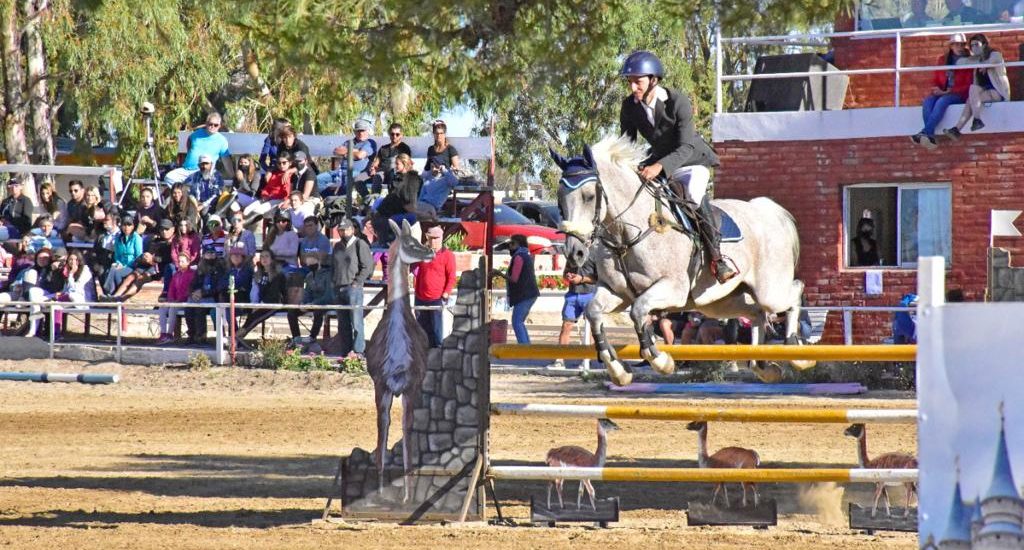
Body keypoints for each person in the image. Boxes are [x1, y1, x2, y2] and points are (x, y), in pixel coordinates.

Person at [618, 50, 734, 283]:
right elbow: (628, 145)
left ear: (653, 80)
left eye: (637, 82)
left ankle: (717, 258)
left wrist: (658, 167)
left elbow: (686, 147)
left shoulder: (677, 101)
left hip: (691, 161)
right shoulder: (629, 107)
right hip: (659, 160)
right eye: (630, 82)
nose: (633, 88)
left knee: (692, 194)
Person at [945, 34, 1011, 138]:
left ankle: (972, 121)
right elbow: (959, 63)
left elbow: (993, 61)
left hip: (998, 92)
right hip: (984, 92)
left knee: (971, 97)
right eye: (972, 46)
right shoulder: (975, 59)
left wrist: (985, 65)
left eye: (977, 44)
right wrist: (968, 56)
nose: (974, 48)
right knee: (971, 94)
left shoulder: (995, 54)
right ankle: (960, 127)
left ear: (984, 45)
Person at [911, 34, 971, 149]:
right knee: (928, 101)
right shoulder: (943, 60)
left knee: (942, 101)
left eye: (962, 44)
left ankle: (925, 132)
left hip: (959, 94)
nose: (959, 47)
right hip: (943, 91)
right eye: (956, 44)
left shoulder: (969, 60)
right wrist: (936, 89)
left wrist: (947, 92)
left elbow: (969, 84)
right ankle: (929, 134)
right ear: (951, 46)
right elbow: (936, 78)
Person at [331, 217, 373, 356]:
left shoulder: (359, 244)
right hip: (339, 287)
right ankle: (345, 351)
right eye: (341, 230)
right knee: (343, 324)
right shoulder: (337, 246)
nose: (343, 232)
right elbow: (333, 266)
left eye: (346, 229)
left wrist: (357, 282)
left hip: (353, 287)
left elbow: (367, 266)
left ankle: (358, 351)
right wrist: (333, 282)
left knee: (356, 322)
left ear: (352, 229)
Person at [108, 217, 175, 301]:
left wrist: (154, 259)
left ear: (173, 229)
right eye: (162, 229)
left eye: (166, 229)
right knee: (131, 277)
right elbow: (148, 253)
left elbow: (170, 258)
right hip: (148, 264)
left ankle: (122, 298)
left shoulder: (174, 242)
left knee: (140, 279)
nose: (164, 231)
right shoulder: (156, 240)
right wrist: (144, 257)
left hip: (160, 267)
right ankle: (115, 297)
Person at [547, 258, 597, 369]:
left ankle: (587, 359)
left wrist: (582, 279)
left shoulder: (594, 253)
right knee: (566, 326)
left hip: (590, 294)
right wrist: (567, 276)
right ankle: (560, 359)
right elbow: (565, 272)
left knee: (589, 328)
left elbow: (599, 278)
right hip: (572, 294)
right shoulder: (572, 255)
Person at [413, 225, 455, 348]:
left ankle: (437, 352)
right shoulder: (423, 253)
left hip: (436, 298)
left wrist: (446, 293)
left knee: (436, 329)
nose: (433, 241)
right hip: (420, 297)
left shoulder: (448, 255)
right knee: (421, 327)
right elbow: (416, 270)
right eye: (430, 238)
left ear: (441, 238)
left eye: (436, 238)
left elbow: (451, 277)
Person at [164, 112, 233, 184]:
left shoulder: (222, 140)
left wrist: (233, 177)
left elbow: (226, 160)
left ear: (219, 126)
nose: (213, 126)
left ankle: (187, 191)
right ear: (206, 123)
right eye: (210, 124)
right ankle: (183, 193)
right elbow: (189, 147)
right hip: (186, 170)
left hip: (204, 172)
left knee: (200, 185)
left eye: (216, 125)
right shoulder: (195, 135)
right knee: (169, 178)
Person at [236, 252, 287, 348]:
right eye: (262, 256)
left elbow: (274, 294)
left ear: (272, 259)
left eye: (267, 256)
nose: (264, 258)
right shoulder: (258, 274)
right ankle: (236, 340)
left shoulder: (278, 274)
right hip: (260, 304)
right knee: (250, 317)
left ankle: (235, 339)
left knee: (253, 318)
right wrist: (254, 305)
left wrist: (259, 306)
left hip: (274, 303)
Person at [287, 250, 334, 348]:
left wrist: (313, 303)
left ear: (318, 261)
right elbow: (307, 292)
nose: (310, 266)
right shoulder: (309, 276)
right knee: (292, 312)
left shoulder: (328, 275)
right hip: (312, 303)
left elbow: (328, 296)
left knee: (318, 311)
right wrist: (304, 303)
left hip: (324, 302)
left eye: (312, 263)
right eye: (308, 264)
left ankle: (312, 336)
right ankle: (297, 338)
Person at [318, 119, 377, 197]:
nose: (361, 133)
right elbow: (336, 151)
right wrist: (354, 151)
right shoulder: (349, 142)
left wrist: (346, 152)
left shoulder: (369, 143)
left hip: (357, 172)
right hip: (340, 171)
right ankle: (329, 199)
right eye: (358, 131)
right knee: (318, 179)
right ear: (355, 132)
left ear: (367, 131)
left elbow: (360, 155)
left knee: (346, 180)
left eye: (363, 131)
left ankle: (343, 203)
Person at [373, 153, 421, 245]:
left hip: (406, 210)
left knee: (386, 219)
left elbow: (409, 200)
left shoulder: (413, 179)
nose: (395, 166)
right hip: (396, 207)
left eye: (397, 164)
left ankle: (389, 242)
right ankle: (384, 242)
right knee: (377, 215)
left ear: (405, 164)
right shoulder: (397, 177)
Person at [185, 244, 226, 345]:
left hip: (214, 298)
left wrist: (203, 293)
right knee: (188, 308)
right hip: (200, 296)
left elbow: (219, 287)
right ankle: (192, 335)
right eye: (208, 253)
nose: (211, 255)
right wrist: (193, 293)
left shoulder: (220, 267)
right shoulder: (200, 268)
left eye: (213, 253)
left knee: (200, 308)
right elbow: (193, 284)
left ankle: (201, 336)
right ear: (203, 255)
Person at [156, 252, 195, 345]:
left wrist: (179, 300)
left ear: (188, 262)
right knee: (162, 308)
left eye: (182, 261)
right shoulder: (176, 274)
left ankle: (170, 334)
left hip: (185, 301)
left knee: (173, 309)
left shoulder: (192, 274)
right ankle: (163, 333)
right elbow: (171, 288)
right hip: (175, 300)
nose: (180, 263)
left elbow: (189, 290)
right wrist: (170, 299)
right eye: (179, 261)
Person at [241, 151, 293, 219]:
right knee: (246, 210)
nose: (281, 165)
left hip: (280, 200)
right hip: (268, 198)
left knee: (257, 211)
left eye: (284, 163)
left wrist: (275, 198)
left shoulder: (291, 175)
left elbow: (287, 193)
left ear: (290, 163)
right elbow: (268, 187)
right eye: (279, 163)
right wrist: (265, 195)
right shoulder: (275, 174)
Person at [507, 234, 539, 344]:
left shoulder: (518, 257)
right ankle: (526, 346)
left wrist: (499, 274)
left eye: (512, 243)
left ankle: (524, 347)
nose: (510, 246)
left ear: (519, 244)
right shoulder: (526, 255)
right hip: (530, 294)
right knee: (519, 321)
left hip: (524, 294)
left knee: (517, 322)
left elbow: (514, 278)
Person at [103, 216, 143, 296]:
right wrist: (118, 263)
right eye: (124, 225)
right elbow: (117, 255)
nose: (126, 227)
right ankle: (114, 295)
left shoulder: (136, 238)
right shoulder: (118, 238)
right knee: (112, 269)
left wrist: (125, 266)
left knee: (116, 272)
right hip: (121, 263)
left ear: (133, 226)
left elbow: (138, 256)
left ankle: (110, 292)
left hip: (132, 265)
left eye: (129, 225)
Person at [370, 122, 412, 193]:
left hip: (396, 172)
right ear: (389, 135)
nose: (394, 136)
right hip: (382, 172)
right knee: (377, 177)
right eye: (392, 134)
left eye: (397, 134)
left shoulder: (404, 148)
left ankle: (391, 200)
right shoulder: (383, 148)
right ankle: (374, 200)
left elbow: (407, 164)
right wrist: (373, 168)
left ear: (401, 135)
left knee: (392, 173)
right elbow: (376, 162)